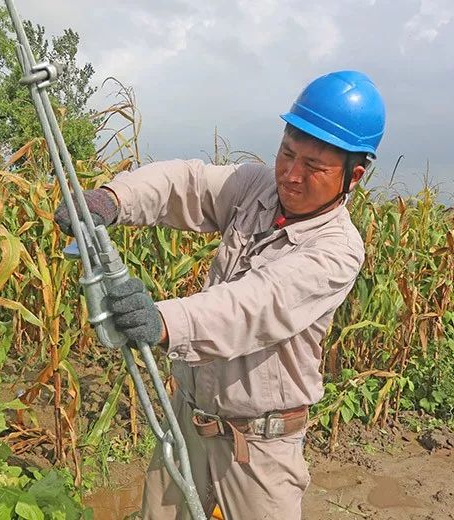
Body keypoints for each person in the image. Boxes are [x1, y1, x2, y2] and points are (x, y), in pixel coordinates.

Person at [55, 70, 386, 519]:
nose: (290, 175)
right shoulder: (255, 188)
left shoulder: (337, 249)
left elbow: (256, 305)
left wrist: (164, 321)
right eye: (286, 154)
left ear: (354, 175)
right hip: (189, 421)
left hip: (259, 449)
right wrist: (114, 199)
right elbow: (186, 184)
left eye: (313, 167)